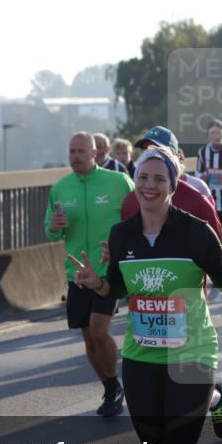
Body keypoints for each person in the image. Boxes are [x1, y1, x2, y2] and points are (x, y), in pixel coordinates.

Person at [69, 147, 222, 444]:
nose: (149, 186)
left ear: (172, 185)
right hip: (143, 354)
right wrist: (97, 284)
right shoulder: (122, 234)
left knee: (180, 441)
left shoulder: (195, 231)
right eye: (143, 177)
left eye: (158, 179)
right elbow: (117, 287)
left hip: (192, 350)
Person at [45, 132, 135, 416]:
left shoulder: (118, 182)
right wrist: (55, 225)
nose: (75, 156)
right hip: (77, 273)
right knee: (88, 336)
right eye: (71, 151)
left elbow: (137, 216)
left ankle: (118, 385)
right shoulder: (61, 188)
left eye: (80, 151)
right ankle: (110, 386)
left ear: (94, 153)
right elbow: (50, 229)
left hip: (108, 270)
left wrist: (124, 250)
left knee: (98, 330)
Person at [123, 126, 222, 241]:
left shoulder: (198, 200)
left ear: (175, 158)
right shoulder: (129, 202)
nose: (152, 155)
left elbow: (218, 246)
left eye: (159, 150)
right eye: (146, 150)